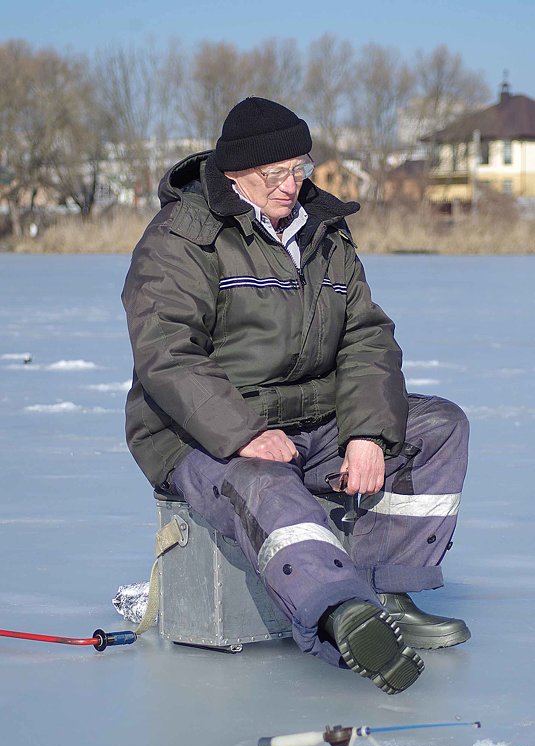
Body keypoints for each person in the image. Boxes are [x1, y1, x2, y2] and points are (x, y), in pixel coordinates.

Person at [122, 97, 470, 695]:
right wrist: (241, 430)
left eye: (300, 168)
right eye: (274, 174)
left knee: (436, 426)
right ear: (236, 175)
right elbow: (167, 352)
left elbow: (366, 337)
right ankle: (341, 612)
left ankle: (388, 589)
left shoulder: (326, 233)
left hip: (311, 418)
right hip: (198, 430)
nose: (292, 184)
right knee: (263, 479)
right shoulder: (182, 237)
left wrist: (366, 433)